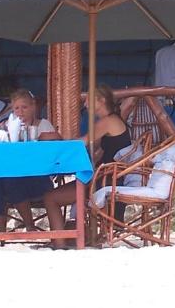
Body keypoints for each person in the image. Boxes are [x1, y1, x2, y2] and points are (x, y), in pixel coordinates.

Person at [42, 84, 131, 247]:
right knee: (54, 196)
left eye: (89, 101)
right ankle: (63, 237)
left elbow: (81, 142)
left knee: (50, 198)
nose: (85, 105)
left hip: (106, 181)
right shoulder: (112, 120)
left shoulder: (108, 121)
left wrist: (56, 145)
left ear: (101, 100)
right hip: (109, 177)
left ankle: (59, 242)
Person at [0, 89, 61, 233]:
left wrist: (41, 137)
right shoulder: (9, 127)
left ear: (33, 107)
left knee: (12, 180)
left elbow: (57, 138)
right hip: (14, 177)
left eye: (24, 107)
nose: (20, 112)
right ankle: (0, 227)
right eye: (16, 108)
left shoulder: (42, 125)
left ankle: (29, 225)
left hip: (39, 178)